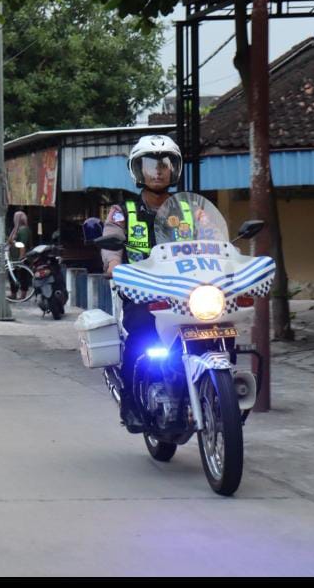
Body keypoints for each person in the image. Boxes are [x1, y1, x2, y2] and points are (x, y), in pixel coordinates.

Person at [100, 134, 186, 433]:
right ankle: (131, 404)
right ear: (138, 170)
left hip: (186, 292)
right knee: (141, 341)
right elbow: (111, 244)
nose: (159, 171)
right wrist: (113, 264)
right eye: (151, 164)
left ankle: (219, 389)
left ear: (175, 168)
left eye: (165, 164)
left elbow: (214, 236)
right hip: (142, 293)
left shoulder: (189, 209)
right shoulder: (123, 211)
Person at [7, 210, 32, 300]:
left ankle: (23, 294)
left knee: (22, 276)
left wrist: (21, 257)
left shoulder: (24, 230)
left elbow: (23, 245)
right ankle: (13, 293)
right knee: (12, 275)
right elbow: (10, 241)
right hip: (13, 257)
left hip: (20, 257)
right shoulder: (16, 229)